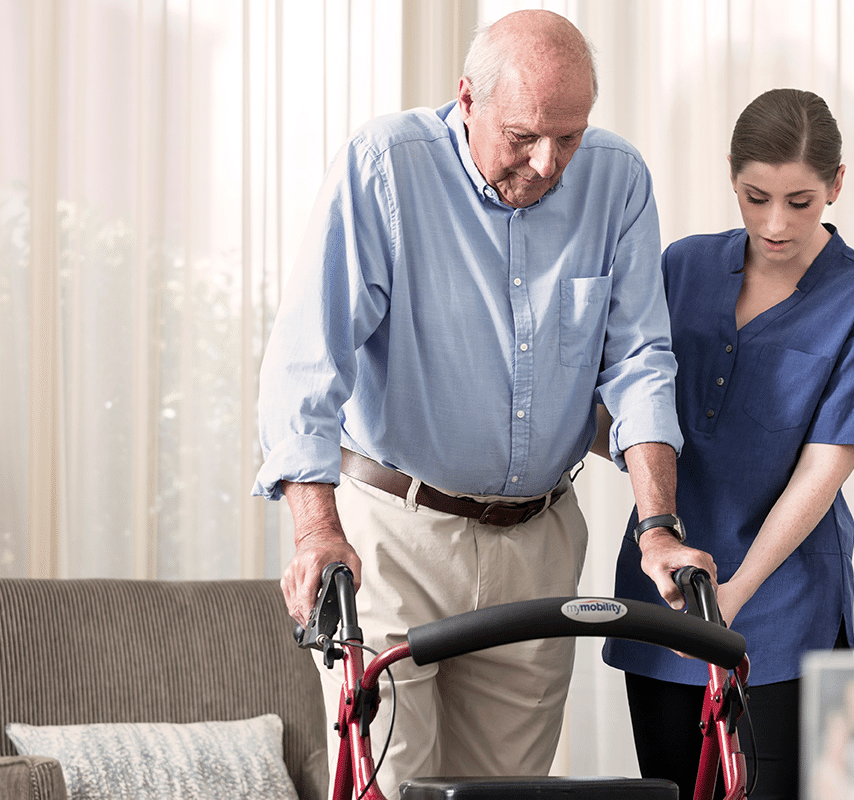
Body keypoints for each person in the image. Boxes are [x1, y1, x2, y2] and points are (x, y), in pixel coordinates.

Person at [251, 9, 714, 797]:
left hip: (536, 541)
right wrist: (315, 531)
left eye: (568, 137)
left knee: (507, 793)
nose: (547, 163)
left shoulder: (617, 178)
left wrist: (659, 529)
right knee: (393, 786)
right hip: (395, 539)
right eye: (524, 136)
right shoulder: (384, 167)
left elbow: (639, 363)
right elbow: (306, 362)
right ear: (466, 99)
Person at [600, 87, 854, 799]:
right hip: (664, 594)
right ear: (731, 177)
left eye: (800, 201)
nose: (776, 223)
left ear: (836, 184)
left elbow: (824, 468)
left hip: (781, 608)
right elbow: (633, 411)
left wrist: (736, 593)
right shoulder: (681, 267)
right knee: (673, 789)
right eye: (755, 196)